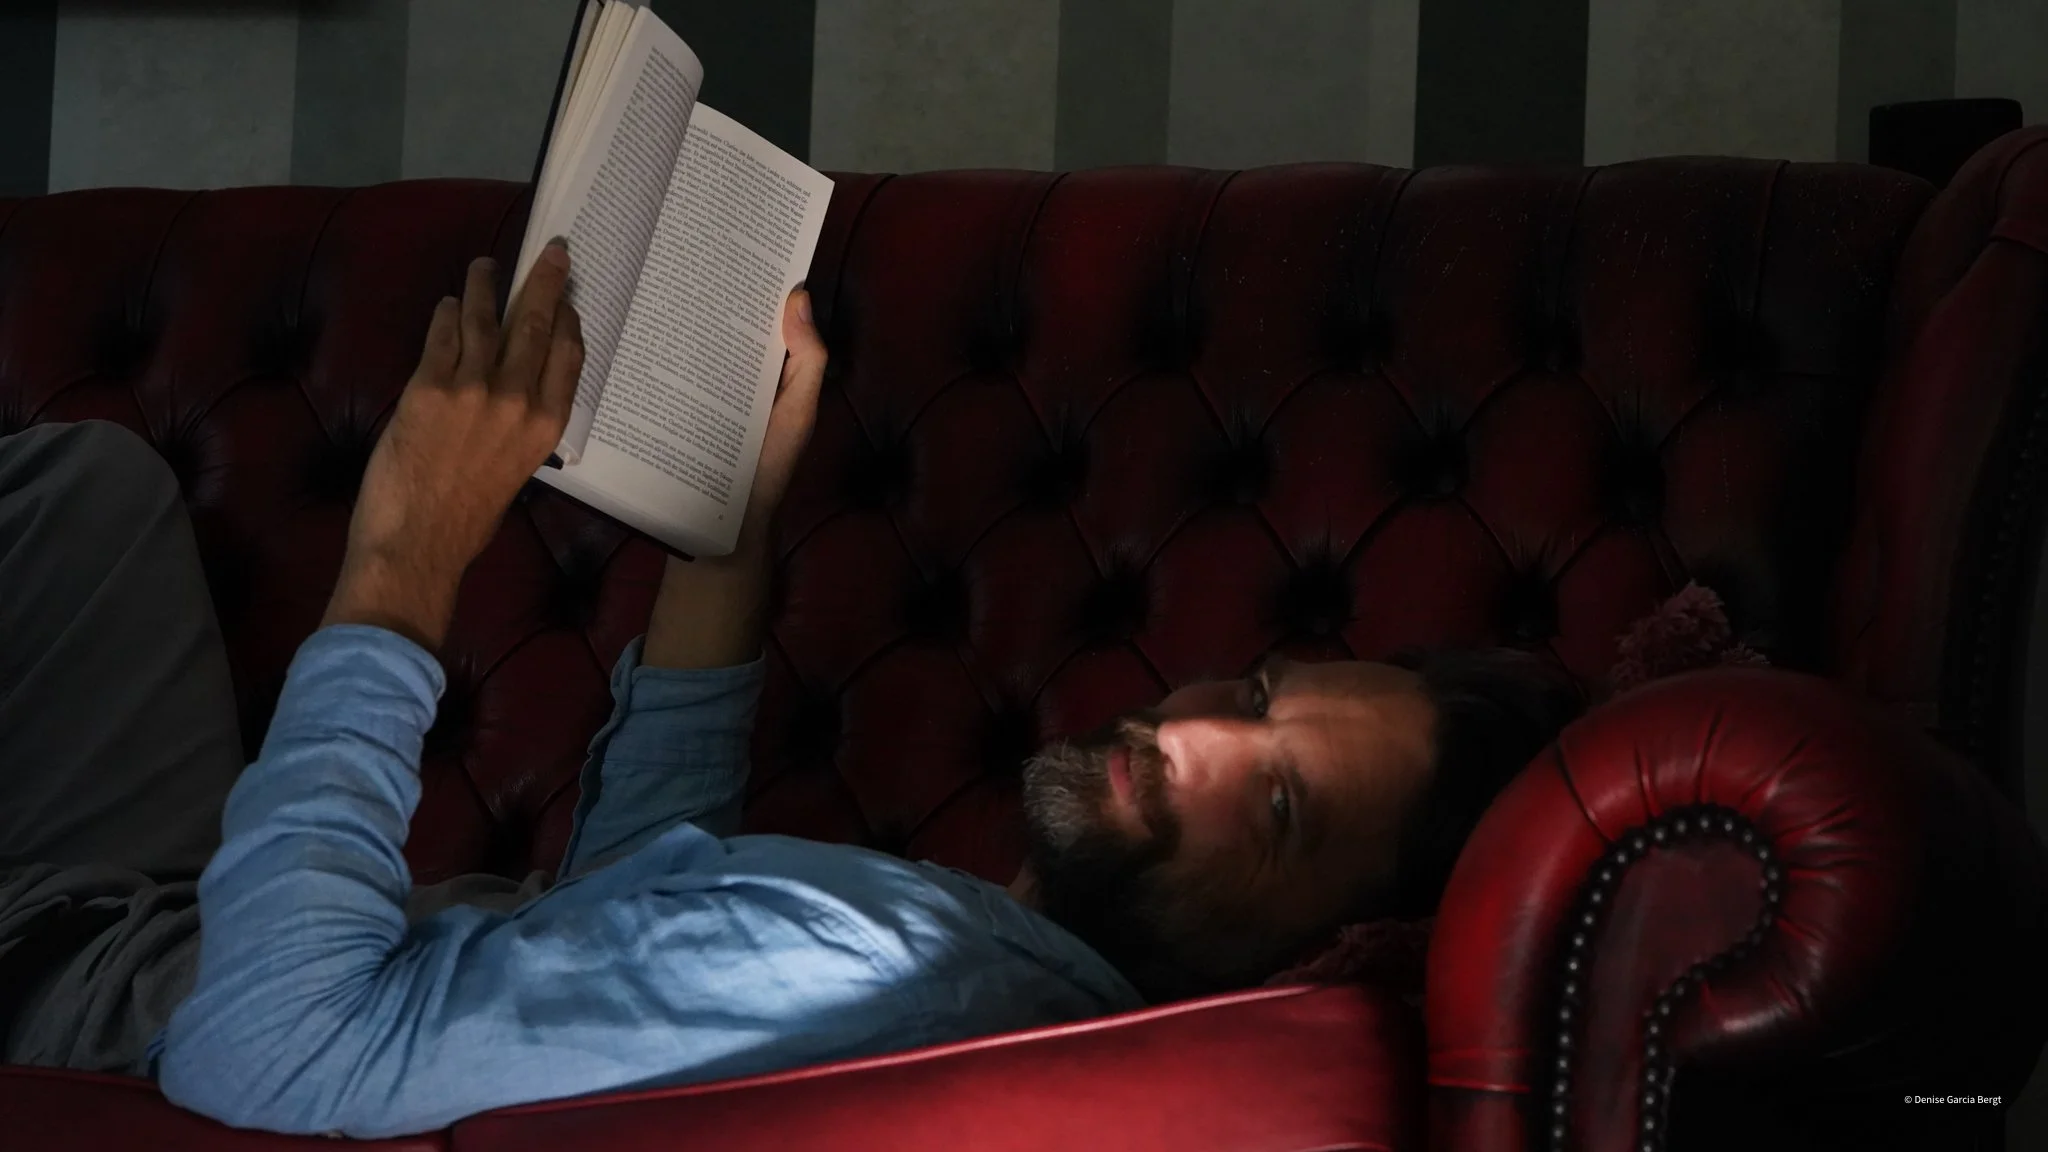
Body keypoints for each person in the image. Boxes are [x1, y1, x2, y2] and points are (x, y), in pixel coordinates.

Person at [0, 241, 1581, 1138]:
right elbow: (628, 911)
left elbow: (264, 1057)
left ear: (1305, 946)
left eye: (1282, 800)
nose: (1190, 732)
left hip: (94, 998)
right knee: (87, 491)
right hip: (156, 900)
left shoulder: (896, 975)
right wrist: (732, 521)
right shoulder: (975, 961)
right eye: (1254, 687)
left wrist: (409, 541)